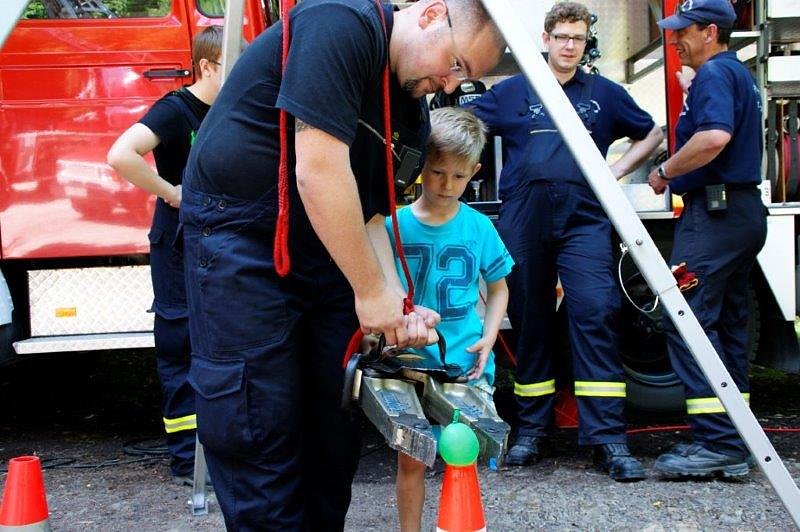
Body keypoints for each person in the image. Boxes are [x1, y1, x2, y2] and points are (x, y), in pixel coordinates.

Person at [178, 0, 505, 529]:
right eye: (457, 63)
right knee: (260, 424)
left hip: (327, 248)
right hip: (242, 237)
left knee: (332, 433)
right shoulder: (342, 19)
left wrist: (396, 304)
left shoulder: (409, 114)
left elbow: (373, 219)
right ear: (430, 14)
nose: (448, 84)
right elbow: (319, 167)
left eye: (462, 78)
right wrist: (372, 293)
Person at [468, 1, 663, 481]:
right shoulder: (515, 90)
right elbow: (463, 126)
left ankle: (608, 441)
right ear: (547, 38)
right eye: (562, 37)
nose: (569, 45)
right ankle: (532, 432)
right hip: (524, 219)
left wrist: (614, 170)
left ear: (585, 42)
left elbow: (652, 132)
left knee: (595, 311)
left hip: (584, 221)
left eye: (577, 37)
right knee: (531, 319)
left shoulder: (603, 94)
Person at [648, 0, 766, 479]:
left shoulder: (716, 74)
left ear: (711, 32)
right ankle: (736, 437)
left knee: (685, 321)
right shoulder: (733, 74)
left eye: (684, 31)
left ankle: (717, 443)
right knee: (728, 325)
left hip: (715, 217)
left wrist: (665, 170)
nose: (676, 40)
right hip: (740, 213)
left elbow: (714, 137)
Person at [106, 25, 223, 485]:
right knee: (180, 348)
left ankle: (217, 451)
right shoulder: (176, 110)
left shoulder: (231, 110)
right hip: (177, 245)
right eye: (231, 70)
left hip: (217, 243)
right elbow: (122, 154)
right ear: (208, 66)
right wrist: (172, 194)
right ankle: (184, 460)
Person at [388, 107, 513, 532]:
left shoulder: (479, 227)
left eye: (459, 176)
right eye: (438, 172)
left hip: (466, 364)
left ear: (474, 171)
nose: (447, 185)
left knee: (464, 456)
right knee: (412, 459)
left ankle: (461, 524)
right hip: (409, 367)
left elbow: (498, 288)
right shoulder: (391, 226)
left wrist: (491, 336)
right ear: (422, 164)